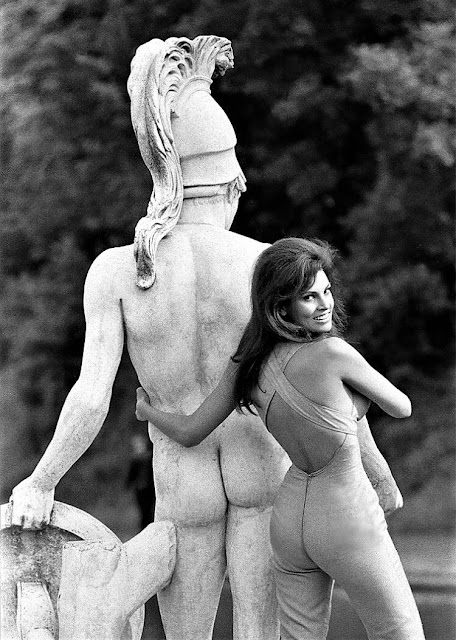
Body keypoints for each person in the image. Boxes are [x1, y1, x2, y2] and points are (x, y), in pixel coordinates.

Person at [10, 37, 404, 640]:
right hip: (262, 464)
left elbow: (91, 394)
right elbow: (330, 385)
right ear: (231, 181)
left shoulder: (117, 272)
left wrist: (42, 480)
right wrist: (377, 476)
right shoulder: (265, 264)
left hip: (180, 471)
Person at [136, 237, 426, 640]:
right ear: (281, 306)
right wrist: (354, 402)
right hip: (346, 513)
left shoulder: (248, 365)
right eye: (309, 297)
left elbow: (189, 431)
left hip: (289, 522)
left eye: (326, 291)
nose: (324, 304)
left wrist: (147, 411)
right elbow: (401, 406)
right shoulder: (334, 353)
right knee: (401, 631)